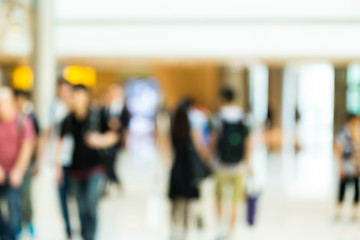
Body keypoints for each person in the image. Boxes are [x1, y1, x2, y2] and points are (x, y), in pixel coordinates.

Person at [56, 84, 119, 240]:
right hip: (75, 170)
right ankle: (85, 234)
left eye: (79, 95)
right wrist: (56, 166)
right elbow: (60, 143)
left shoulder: (97, 116)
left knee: (91, 203)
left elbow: (114, 136)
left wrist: (100, 140)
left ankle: (91, 235)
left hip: (95, 168)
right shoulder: (68, 120)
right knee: (80, 206)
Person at [212, 87, 252, 240]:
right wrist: (248, 163)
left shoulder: (218, 117)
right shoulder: (244, 117)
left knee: (219, 197)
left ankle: (220, 226)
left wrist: (210, 157)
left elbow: (214, 140)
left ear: (223, 99)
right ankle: (231, 231)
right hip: (239, 166)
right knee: (236, 199)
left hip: (221, 164)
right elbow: (248, 142)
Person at [168, 99, 210, 240]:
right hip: (188, 169)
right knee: (186, 202)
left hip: (176, 167)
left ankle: (174, 227)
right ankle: (185, 228)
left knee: (175, 201)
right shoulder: (191, 129)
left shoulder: (172, 129)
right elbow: (199, 148)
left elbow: (167, 151)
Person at [0, 87, 35, 240]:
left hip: (16, 170)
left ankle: (14, 234)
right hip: (1, 169)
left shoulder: (23, 121)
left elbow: (27, 147)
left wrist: (18, 171)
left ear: (11, 103)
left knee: (14, 204)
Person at [42, 79, 73, 239]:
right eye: (61, 90)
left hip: (75, 158)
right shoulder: (54, 108)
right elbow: (48, 132)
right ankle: (68, 228)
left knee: (74, 195)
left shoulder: (74, 108)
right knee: (62, 195)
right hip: (59, 157)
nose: (64, 94)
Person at [14, 90, 41, 237]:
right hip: (11, 164)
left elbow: (37, 140)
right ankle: (16, 224)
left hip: (28, 162)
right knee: (14, 196)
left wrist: (37, 161)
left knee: (25, 194)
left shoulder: (31, 118)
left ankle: (28, 221)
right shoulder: (9, 118)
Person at [102, 84, 130, 193]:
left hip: (117, 140)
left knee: (111, 163)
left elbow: (125, 125)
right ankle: (109, 184)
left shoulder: (124, 108)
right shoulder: (108, 106)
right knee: (107, 163)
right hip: (106, 139)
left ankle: (115, 182)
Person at [334, 113, 360, 220]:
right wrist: (340, 166)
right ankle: (338, 211)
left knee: (356, 188)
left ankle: (354, 211)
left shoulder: (358, 132)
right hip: (346, 164)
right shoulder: (344, 132)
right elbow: (339, 149)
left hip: (356, 165)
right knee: (342, 187)